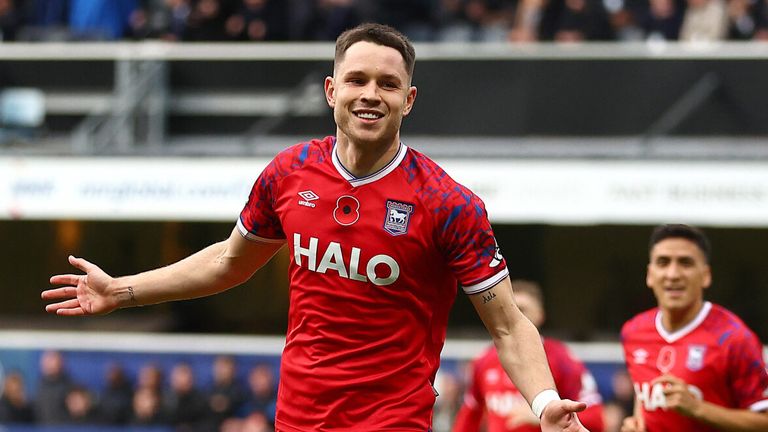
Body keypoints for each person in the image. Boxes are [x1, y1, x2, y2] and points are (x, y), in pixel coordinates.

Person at [42, 22, 588, 431]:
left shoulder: (448, 204)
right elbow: (229, 262)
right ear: (331, 91)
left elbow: (508, 325)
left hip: (392, 422)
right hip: (298, 419)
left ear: (408, 100)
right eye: (357, 79)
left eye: (388, 84)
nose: (370, 94)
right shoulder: (289, 173)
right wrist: (123, 290)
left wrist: (544, 403)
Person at [620, 224, 768, 432]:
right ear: (650, 275)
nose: (673, 274)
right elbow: (644, 397)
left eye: (685, 263)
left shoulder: (734, 338)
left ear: (705, 275)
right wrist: (635, 423)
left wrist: (698, 408)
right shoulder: (633, 331)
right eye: (663, 262)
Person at [452, 280, 604, 432]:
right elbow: (469, 416)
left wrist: (543, 415)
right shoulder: (484, 360)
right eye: (510, 309)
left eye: (522, 310)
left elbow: (596, 418)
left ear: (540, 315)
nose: (514, 316)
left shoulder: (562, 359)